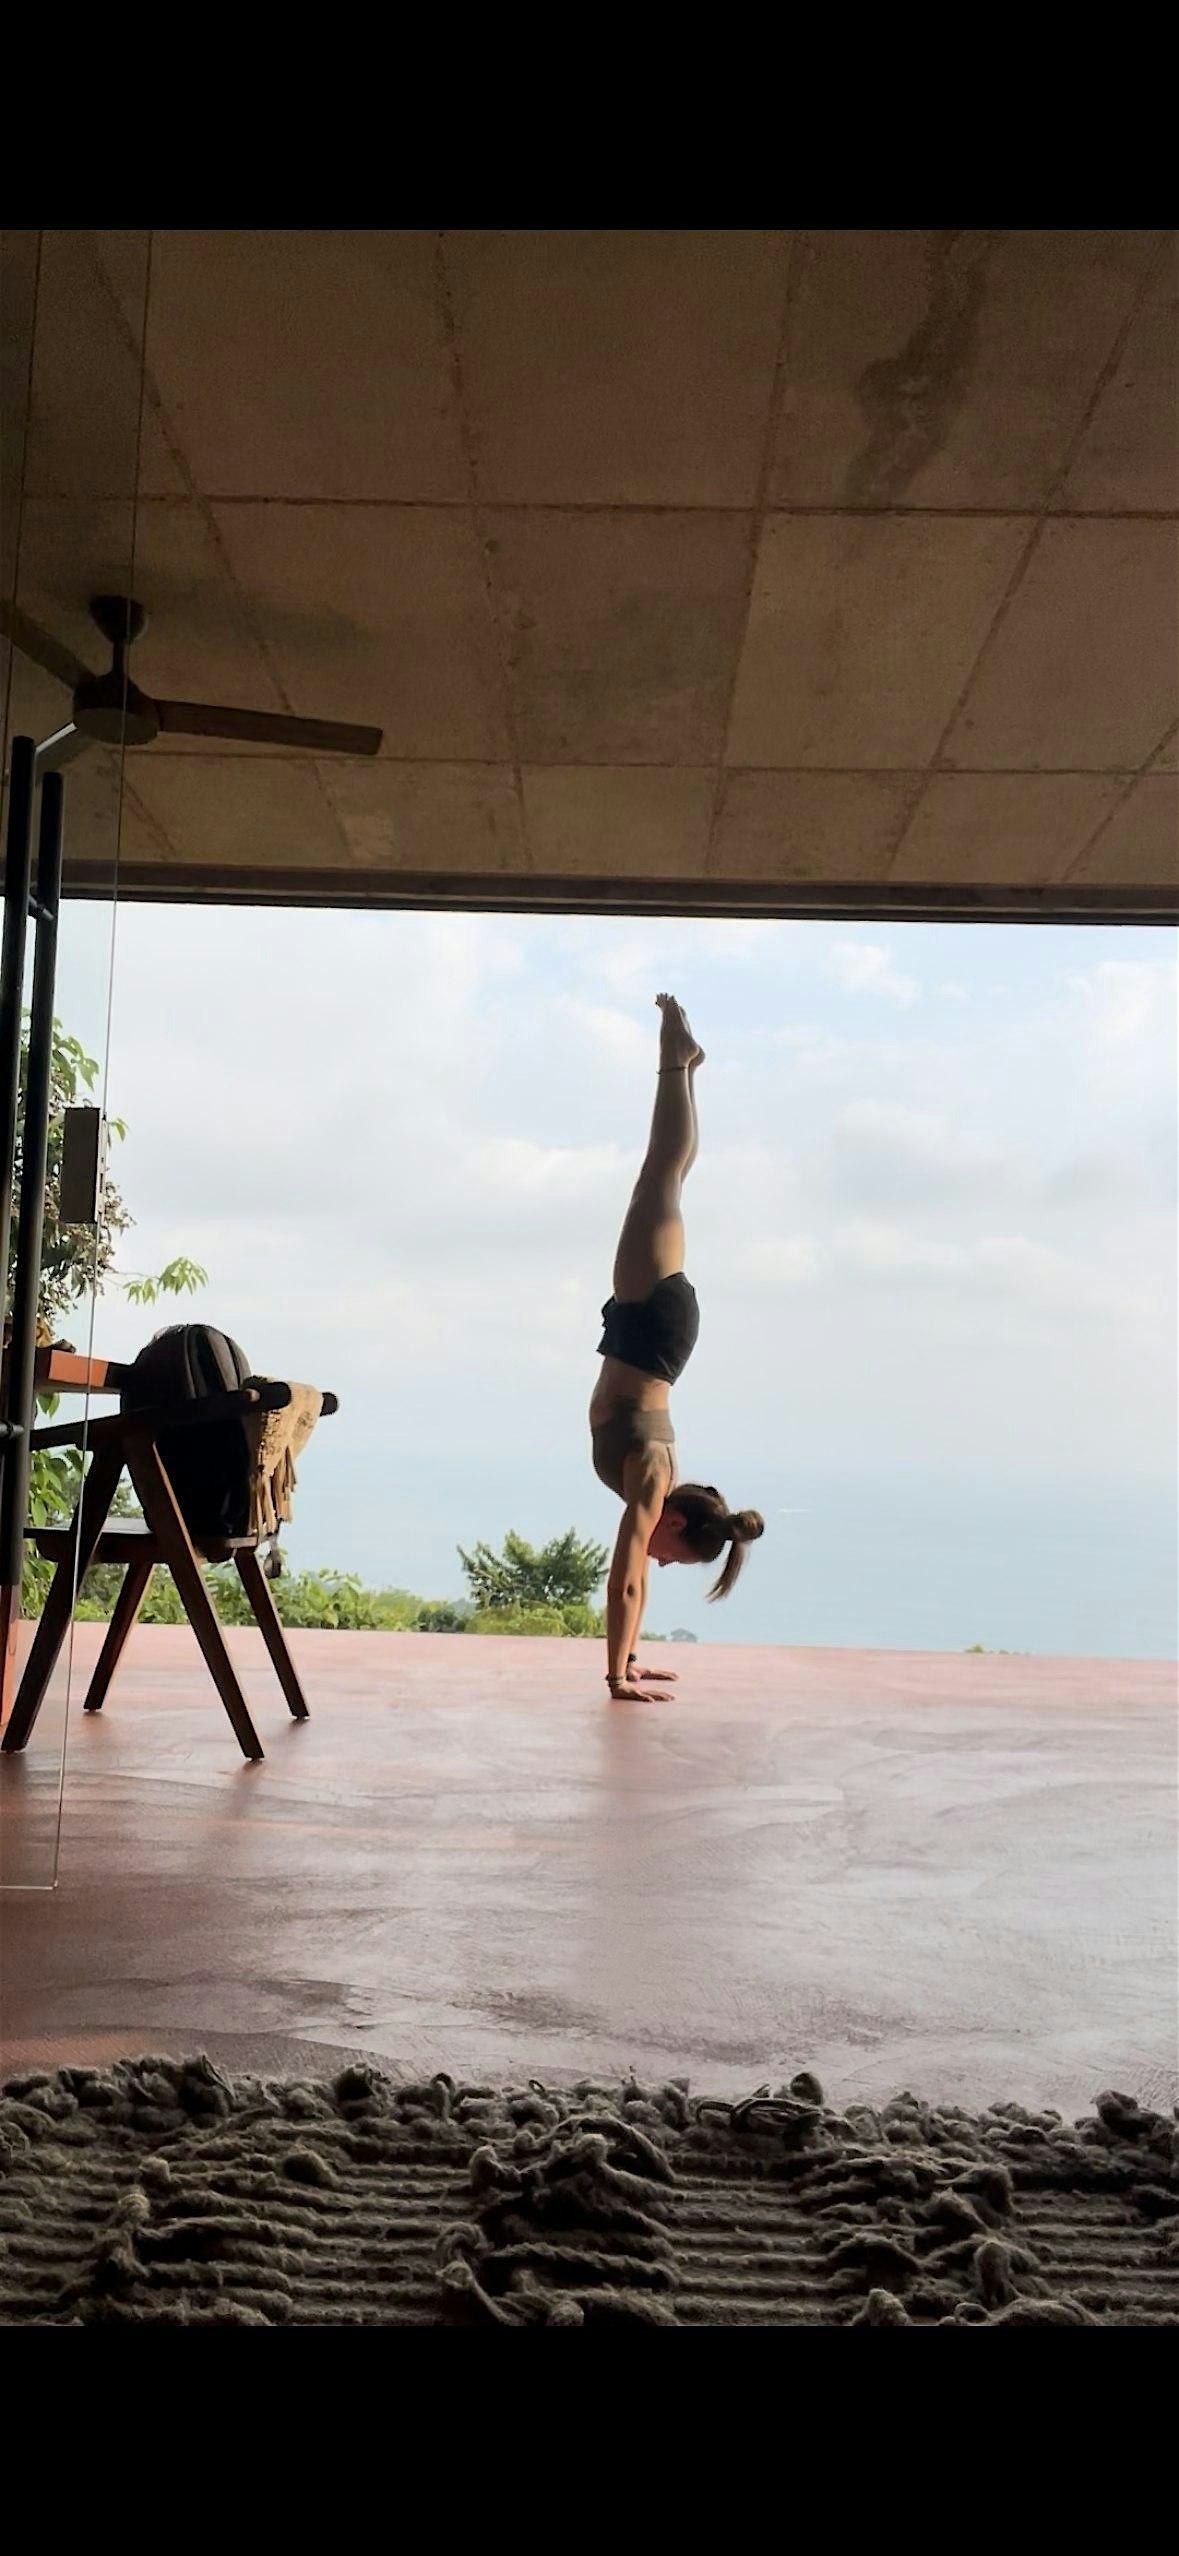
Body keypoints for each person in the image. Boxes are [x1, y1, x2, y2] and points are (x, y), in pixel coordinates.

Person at [589, 994, 764, 1701]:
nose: (661, 1563)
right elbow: (625, 1580)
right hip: (652, 1329)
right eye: (677, 1555)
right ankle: (676, 1060)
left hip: (655, 1336)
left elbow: (635, 1577)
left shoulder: (658, 1485)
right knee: (659, 1176)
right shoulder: (652, 1483)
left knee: (664, 1179)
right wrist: (615, 1678)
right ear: (681, 1522)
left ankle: (683, 1065)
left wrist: (630, 1661)